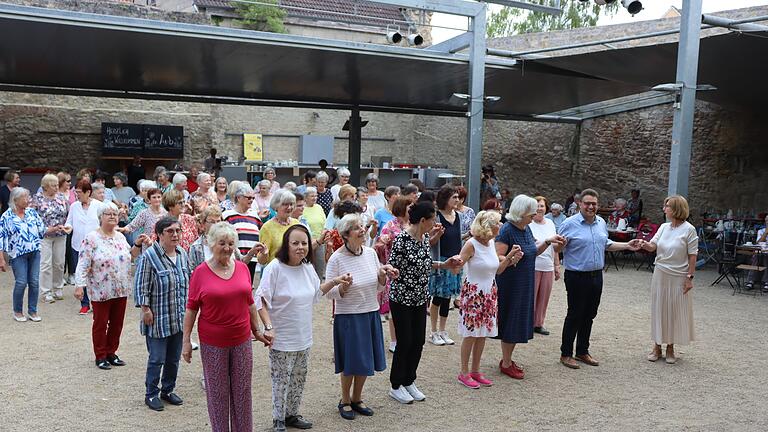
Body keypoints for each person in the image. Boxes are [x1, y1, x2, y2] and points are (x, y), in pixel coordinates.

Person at [256, 224, 352, 432]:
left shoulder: (308, 268)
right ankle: (278, 419)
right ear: (286, 245)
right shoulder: (275, 267)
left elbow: (316, 294)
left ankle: (291, 414)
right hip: (281, 338)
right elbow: (261, 300)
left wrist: (334, 281)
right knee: (281, 381)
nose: (300, 247)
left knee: (298, 379)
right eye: (295, 243)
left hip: (303, 337)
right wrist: (268, 326)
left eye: (304, 243)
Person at [182, 222, 272, 432]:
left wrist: (256, 331)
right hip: (213, 343)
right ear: (211, 244)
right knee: (217, 394)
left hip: (241, 340)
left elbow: (249, 302)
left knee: (242, 392)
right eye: (222, 243)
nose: (227, 247)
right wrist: (186, 341)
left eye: (231, 243)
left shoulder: (242, 268)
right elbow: (191, 308)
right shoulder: (200, 272)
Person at [556, 188, 641, 369]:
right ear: (580, 204)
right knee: (575, 314)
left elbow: (607, 244)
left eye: (594, 204)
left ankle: (582, 351)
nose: (591, 207)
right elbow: (556, 249)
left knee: (589, 315)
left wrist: (627, 245)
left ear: (598, 205)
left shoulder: (601, 222)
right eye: (587, 203)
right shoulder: (569, 224)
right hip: (576, 276)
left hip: (596, 276)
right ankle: (566, 353)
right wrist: (558, 249)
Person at [386, 201, 461, 404]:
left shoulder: (424, 238)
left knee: (418, 341)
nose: (434, 224)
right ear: (422, 220)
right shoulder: (402, 239)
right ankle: (396, 384)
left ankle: (409, 380)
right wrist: (393, 273)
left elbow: (425, 264)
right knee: (405, 342)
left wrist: (444, 265)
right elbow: (392, 268)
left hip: (420, 297)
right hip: (402, 299)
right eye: (431, 220)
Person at [326, 214, 399, 420]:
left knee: (365, 360)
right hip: (349, 317)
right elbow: (328, 291)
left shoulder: (370, 253)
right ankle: (345, 400)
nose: (363, 230)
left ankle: (357, 398)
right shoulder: (336, 258)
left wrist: (383, 277)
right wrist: (342, 287)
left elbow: (377, 287)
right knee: (351, 361)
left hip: (370, 313)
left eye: (362, 226)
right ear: (347, 235)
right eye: (358, 228)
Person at [494, 195, 566, 379]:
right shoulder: (507, 230)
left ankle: (507, 359)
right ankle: (506, 362)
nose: (535, 214)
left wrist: (549, 241)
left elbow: (533, 250)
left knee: (518, 321)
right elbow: (498, 259)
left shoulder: (525, 229)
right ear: (521, 212)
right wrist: (510, 258)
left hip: (525, 281)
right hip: (511, 283)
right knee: (512, 319)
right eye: (531, 211)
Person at [75, 204, 141, 369]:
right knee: (101, 322)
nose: (112, 216)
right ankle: (100, 355)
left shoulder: (120, 236)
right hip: (100, 288)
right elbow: (83, 262)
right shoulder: (91, 238)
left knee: (117, 322)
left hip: (121, 287)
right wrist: (79, 285)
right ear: (100, 217)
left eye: (115, 214)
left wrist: (138, 244)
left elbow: (131, 256)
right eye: (108, 214)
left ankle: (112, 352)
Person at [134, 216, 190, 411]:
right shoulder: (149, 256)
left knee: (173, 358)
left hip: (178, 317)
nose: (175, 235)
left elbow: (188, 282)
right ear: (159, 235)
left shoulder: (183, 254)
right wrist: (145, 309)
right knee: (157, 358)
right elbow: (141, 286)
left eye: (178, 231)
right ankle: (151, 394)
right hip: (158, 319)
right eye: (170, 231)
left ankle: (167, 390)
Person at [638, 196, 698, 364]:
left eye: (668, 206)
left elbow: (693, 256)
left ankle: (670, 347)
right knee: (659, 308)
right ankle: (657, 346)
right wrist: (643, 243)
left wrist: (689, 278)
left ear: (677, 209)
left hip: (679, 275)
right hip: (660, 273)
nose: (664, 209)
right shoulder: (663, 227)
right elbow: (652, 246)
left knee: (673, 310)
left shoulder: (689, 229)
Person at [455, 211, 502, 389]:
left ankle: (475, 370)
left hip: (489, 293)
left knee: (482, 333)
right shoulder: (471, 244)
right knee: (470, 334)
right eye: (498, 223)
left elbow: (496, 270)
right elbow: (457, 267)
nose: (501, 226)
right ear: (488, 227)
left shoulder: (491, 243)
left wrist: (511, 257)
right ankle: (464, 372)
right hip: (473, 294)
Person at [0, 187, 47, 322]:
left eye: (28, 197)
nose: (28, 200)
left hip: (34, 252)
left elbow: (41, 229)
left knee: (34, 281)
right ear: (15, 200)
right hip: (17, 254)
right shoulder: (6, 216)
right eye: (25, 198)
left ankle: (33, 311)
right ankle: (18, 311)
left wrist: (55, 229)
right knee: (21, 282)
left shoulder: (32, 212)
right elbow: (1, 238)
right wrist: (1, 259)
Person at [373, 196, 410, 353]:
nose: (412, 210)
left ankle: (406, 338)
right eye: (410, 208)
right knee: (395, 309)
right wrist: (383, 241)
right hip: (393, 272)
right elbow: (379, 246)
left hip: (410, 272)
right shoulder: (390, 225)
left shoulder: (414, 226)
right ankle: (394, 340)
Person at [428, 185, 463, 346]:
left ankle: (443, 330)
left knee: (447, 298)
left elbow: (458, 238)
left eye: (457, 197)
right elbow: (431, 241)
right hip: (441, 261)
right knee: (438, 297)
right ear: (445, 199)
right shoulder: (437, 217)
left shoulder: (459, 216)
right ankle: (433, 331)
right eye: (454, 197)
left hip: (455, 259)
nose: (457, 200)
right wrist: (438, 234)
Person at [65, 180, 105, 315]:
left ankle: (97, 302)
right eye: (75, 192)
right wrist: (68, 228)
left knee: (96, 275)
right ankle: (84, 303)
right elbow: (69, 222)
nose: (77, 195)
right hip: (78, 245)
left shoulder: (99, 206)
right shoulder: (74, 206)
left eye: (79, 193)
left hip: (96, 246)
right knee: (80, 274)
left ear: (88, 192)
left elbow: (105, 223)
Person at [30, 174, 69, 303]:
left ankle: (58, 288)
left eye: (57, 185)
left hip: (60, 235)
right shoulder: (37, 199)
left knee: (59, 263)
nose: (56, 187)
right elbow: (32, 218)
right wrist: (46, 229)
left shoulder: (62, 198)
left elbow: (68, 215)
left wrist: (67, 226)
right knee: (45, 264)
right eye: (53, 185)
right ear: (45, 187)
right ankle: (46, 292)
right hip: (44, 236)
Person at [529, 196, 561, 336]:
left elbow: (554, 247)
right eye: (536, 206)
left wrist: (556, 265)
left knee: (544, 297)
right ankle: (528, 323)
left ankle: (539, 323)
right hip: (533, 265)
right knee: (531, 296)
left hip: (547, 265)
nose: (539, 209)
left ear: (546, 208)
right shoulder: (528, 224)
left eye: (541, 206)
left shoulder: (550, 224)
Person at [222, 183, 264, 278]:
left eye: (253, 198)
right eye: (248, 198)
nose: (251, 200)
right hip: (234, 260)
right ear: (239, 198)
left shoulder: (255, 216)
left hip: (252, 260)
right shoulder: (227, 215)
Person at [257, 190, 299, 265]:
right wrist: (264, 254)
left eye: (291, 204)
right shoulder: (267, 227)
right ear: (276, 206)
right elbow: (262, 261)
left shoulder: (296, 224)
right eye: (285, 204)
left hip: (295, 269)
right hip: (277, 271)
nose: (289, 207)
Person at [301, 186, 327, 277]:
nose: (315, 198)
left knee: (320, 265)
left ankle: (319, 287)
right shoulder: (302, 209)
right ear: (306, 197)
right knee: (307, 266)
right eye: (312, 196)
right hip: (307, 242)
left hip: (320, 241)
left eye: (316, 196)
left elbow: (325, 222)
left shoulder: (319, 207)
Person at [746, 214, 768, 291]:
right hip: (761, 251)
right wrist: (766, 232)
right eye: (767, 220)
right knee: (756, 257)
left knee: (766, 258)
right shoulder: (761, 231)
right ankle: (750, 281)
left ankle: (766, 282)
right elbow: (759, 242)